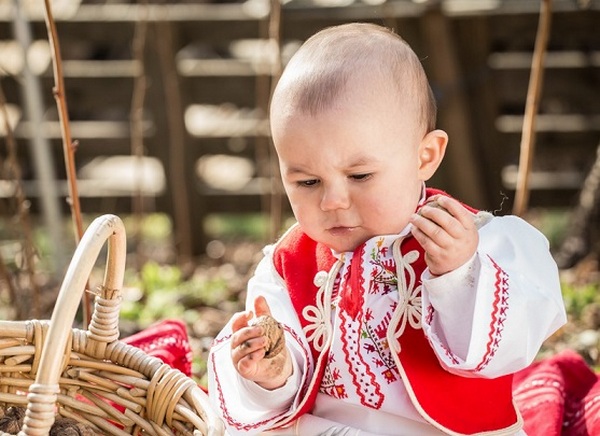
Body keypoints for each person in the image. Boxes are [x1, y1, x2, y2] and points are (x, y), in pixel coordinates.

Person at [207, 22, 567, 435]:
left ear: (425, 156)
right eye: (307, 182)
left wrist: (461, 274)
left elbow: (512, 340)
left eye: (360, 176)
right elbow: (282, 356)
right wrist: (272, 371)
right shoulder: (288, 265)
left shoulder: (475, 240)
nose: (332, 201)